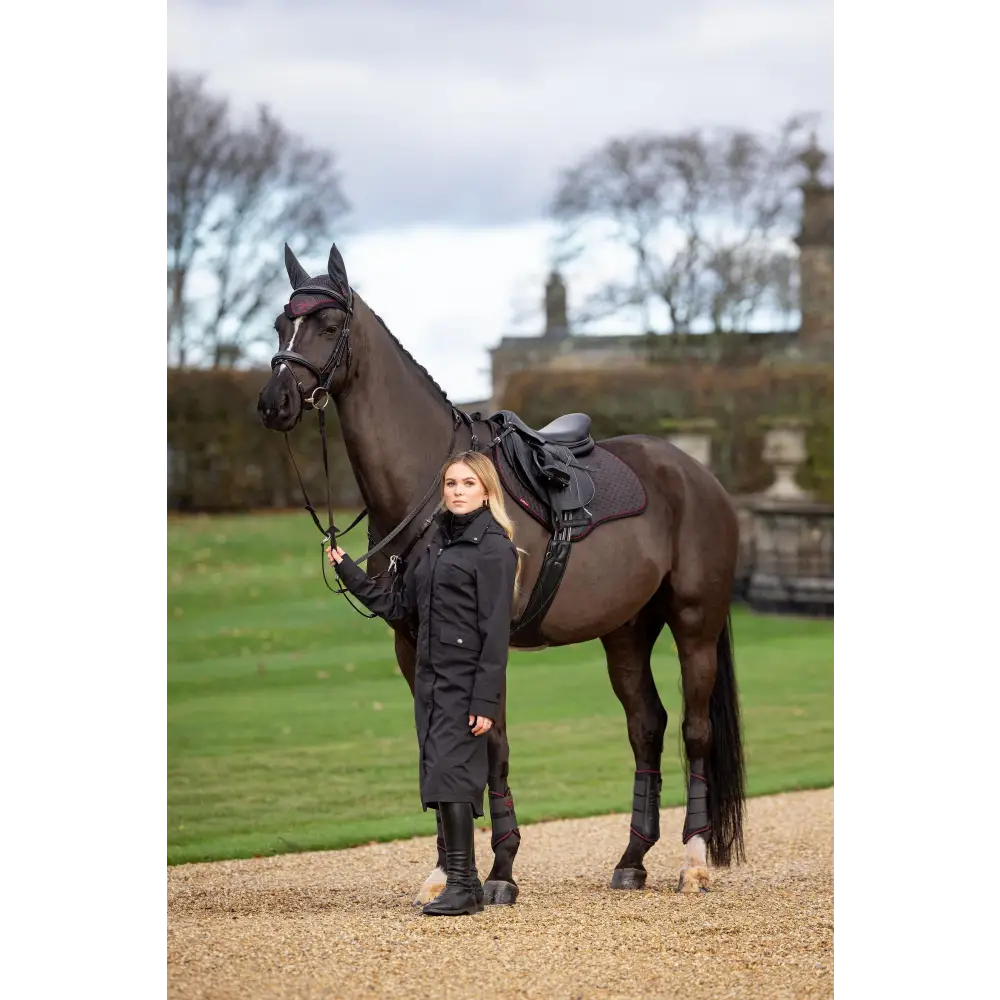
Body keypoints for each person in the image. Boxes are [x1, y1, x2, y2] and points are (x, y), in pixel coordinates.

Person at [328, 450, 523, 916]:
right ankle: (467, 885)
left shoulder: (494, 548)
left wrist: (485, 700)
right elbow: (400, 607)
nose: (457, 491)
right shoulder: (434, 542)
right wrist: (349, 571)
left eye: (468, 484)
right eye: (452, 483)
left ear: (487, 491)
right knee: (439, 775)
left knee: (455, 777)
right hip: (431, 675)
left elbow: (496, 633)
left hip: (464, 678)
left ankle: (463, 883)